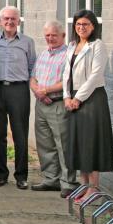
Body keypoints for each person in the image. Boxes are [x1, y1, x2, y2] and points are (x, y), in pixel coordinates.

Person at [64, 9, 113, 204]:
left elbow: (95, 76)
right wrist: (67, 96)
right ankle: (84, 184)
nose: (81, 27)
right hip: (73, 98)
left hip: (92, 99)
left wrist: (78, 98)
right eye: (78, 24)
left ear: (93, 26)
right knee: (78, 143)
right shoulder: (72, 45)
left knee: (91, 143)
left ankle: (94, 188)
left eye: (85, 24)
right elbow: (65, 74)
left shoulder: (98, 46)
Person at [29, 21, 77, 198]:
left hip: (57, 103)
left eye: (54, 35)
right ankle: (51, 179)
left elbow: (68, 81)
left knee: (63, 144)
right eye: (47, 35)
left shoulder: (68, 55)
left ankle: (68, 183)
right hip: (41, 104)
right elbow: (33, 77)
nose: (50, 38)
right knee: (45, 143)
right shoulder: (42, 54)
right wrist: (38, 91)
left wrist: (46, 90)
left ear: (63, 36)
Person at [0, 6, 36, 189]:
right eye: (6, 19)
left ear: (19, 21)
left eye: (13, 19)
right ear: (0, 21)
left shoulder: (27, 42)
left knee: (20, 133)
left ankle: (21, 176)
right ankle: (1, 174)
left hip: (19, 90)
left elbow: (33, 66)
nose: (9, 22)